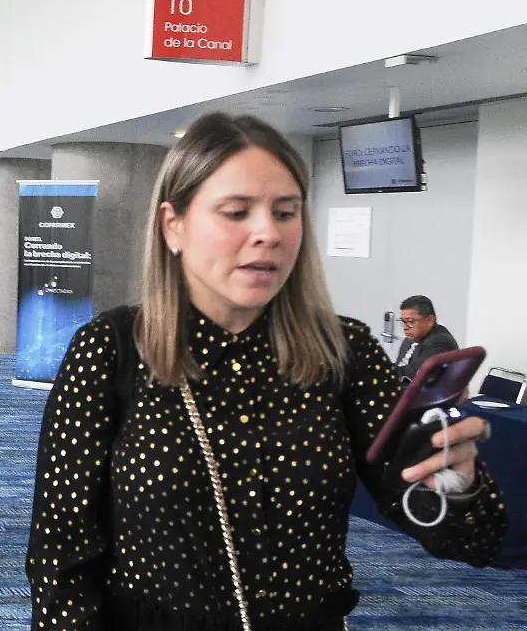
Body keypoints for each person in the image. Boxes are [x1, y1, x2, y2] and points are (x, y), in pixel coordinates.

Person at [26, 112, 507, 631]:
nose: (267, 234)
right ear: (174, 225)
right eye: (236, 212)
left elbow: (470, 539)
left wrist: (458, 484)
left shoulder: (341, 351)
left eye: (286, 212)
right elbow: (61, 557)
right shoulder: (111, 351)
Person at [395, 295, 459, 384]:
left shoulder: (440, 341)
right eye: (403, 321)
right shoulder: (410, 339)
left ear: (429, 320)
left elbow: (413, 374)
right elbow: (399, 368)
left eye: (410, 321)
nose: (405, 327)